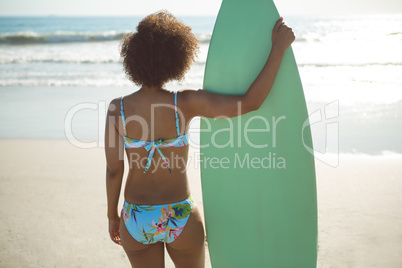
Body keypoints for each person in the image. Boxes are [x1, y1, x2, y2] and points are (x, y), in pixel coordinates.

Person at [105, 10, 295, 268]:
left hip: (136, 217)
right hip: (180, 216)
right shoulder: (184, 103)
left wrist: (112, 216)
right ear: (175, 58)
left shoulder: (118, 109)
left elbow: (114, 170)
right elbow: (250, 103)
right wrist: (278, 50)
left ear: (133, 59)